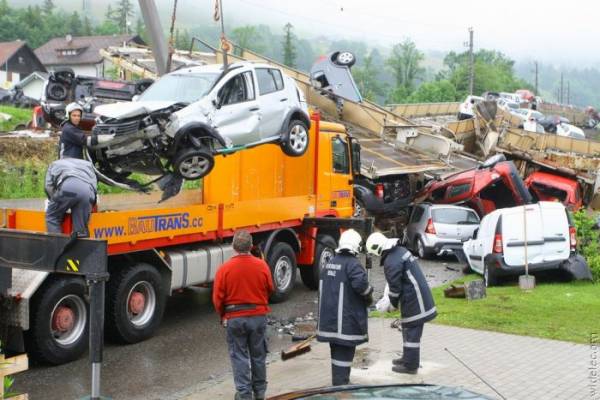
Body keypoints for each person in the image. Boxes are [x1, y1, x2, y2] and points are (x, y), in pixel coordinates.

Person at [212, 230, 274, 400]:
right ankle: (260, 392)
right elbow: (270, 288)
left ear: (233, 247)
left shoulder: (224, 269)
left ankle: (244, 394)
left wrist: (223, 315)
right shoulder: (262, 266)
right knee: (258, 355)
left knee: (239, 356)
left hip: (235, 318)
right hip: (258, 316)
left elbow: (217, 298)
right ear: (251, 246)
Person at [366, 231, 437, 375]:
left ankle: (410, 366)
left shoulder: (391, 261)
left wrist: (390, 305)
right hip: (416, 298)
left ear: (377, 248)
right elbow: (394, 282)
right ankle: (407, 358)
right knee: (407, 328)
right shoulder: (399, 251)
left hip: (416, 301)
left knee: (411, 333)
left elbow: (395, 289)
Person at [316, 229, 373, 386]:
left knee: (336, 354)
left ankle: (339, 382)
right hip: (345, 323)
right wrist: (369, 296)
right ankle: (340, 386)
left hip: (329, 322)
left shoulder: (330, 263)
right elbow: (362, 287)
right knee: (344, 355)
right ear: (356, 246)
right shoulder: (353, 264)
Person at [45, 157, 98, 237]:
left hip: (68, 188)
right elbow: (94, 186)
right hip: (87, 191)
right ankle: (82, 248)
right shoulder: (88, 164)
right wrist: (91, 205)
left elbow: (48, 187)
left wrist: (55, 202)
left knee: (52, 217)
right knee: (81, 230)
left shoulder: (54, 164)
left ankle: (57, 247)